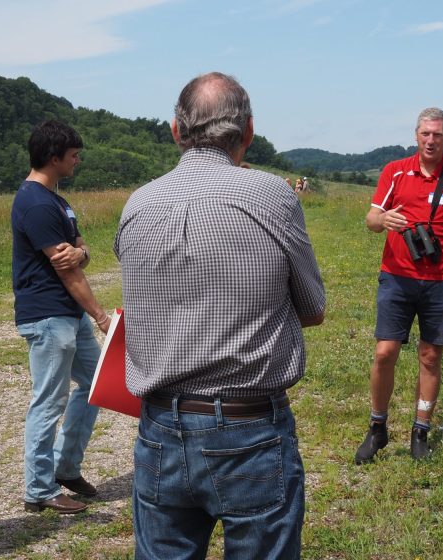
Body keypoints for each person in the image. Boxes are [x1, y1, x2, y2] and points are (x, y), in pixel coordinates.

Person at [115, 72, 326, 558]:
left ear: (175, 130)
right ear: (248, 131)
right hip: (248, 428)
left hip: (159, 428)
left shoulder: (137, 203)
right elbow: (313, 310)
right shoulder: (270, 196)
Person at [355, 108, 443, 463]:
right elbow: (372, 218)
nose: (430, 140)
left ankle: (421, 430)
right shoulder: (394, 171)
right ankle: (378, 428)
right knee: (384, 352)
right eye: (425, 134)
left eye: (437, 134)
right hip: (398, 275)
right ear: (416, 136)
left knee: (431, 356)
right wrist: (383, 219)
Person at [12, 119, 110, 514]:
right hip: (48, 317)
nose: (78, 161)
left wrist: (82, 253)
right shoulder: (35, 202)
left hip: (68, 316)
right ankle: (38, 489)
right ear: (54, 158)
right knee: (49, 401)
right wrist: (101, 316)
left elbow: (81, 251)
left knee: (95, 382)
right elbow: (66, 269)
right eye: (73, 155)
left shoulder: (58, 200)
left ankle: (65, 468)